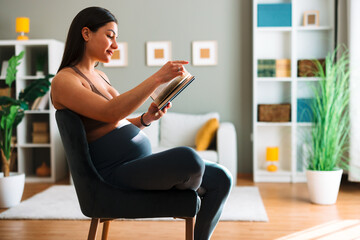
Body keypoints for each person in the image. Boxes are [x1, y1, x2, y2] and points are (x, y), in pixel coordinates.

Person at [51, 7, 232, 240]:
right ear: (86, 33)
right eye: (110, 35)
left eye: (116, 38)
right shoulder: (64, 81)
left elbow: (113, 123)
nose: (115, 45)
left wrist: (146, 118)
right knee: (191, 159)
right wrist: (157, 78)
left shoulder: (100, 76)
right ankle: (183, 184)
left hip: (136, 164)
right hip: (113, 173)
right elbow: (109, 112)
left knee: (222, 178)